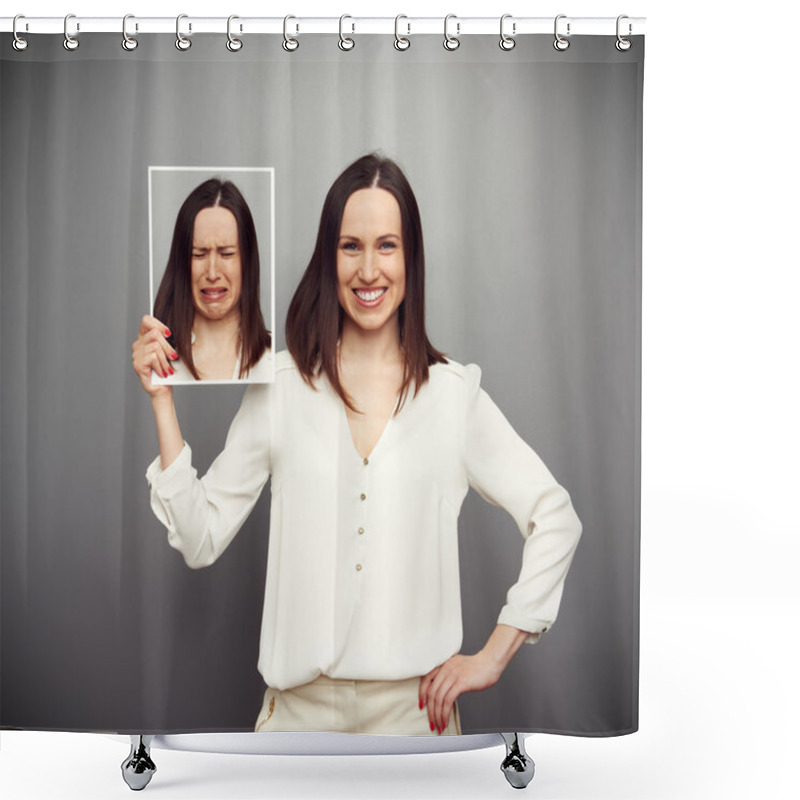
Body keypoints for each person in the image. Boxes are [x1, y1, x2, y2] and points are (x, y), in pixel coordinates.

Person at [132, 154, 582, 736]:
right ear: (329, 257)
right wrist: (162, 400)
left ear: (410, 257)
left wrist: (494, 653)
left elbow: (556, 518)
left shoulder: (453, 396)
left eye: (387, 245)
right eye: (350, 246)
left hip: (416, 720)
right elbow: (199, 538)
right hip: (295, 719)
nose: (369, 270)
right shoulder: (283, 387)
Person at [148, 178, 271, 383]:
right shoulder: (157, 358)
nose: (212, 273)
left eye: (227, 254)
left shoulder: (271, 359)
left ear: (247, 262)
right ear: (181, 264)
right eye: (198, 255)